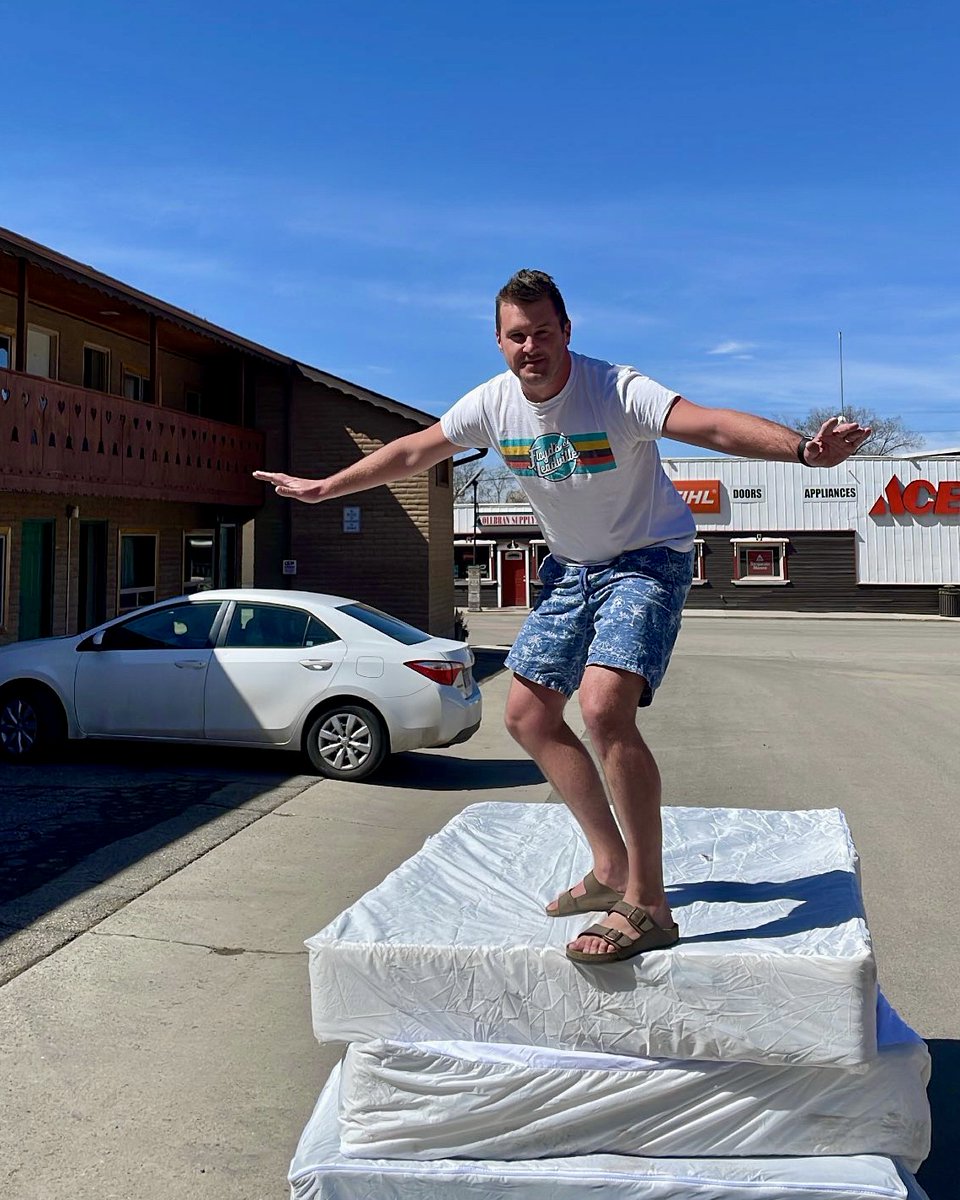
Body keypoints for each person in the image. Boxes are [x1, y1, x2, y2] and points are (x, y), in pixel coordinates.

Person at [254, 269, 870, 966]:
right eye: (517, 336)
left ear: (567, 332)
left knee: (606, 709)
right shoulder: (491, 405)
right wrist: (327, 488)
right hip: (571, 567)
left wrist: (803, 451)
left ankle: (649, 902)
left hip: (646, 556)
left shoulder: (615, 390)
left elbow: (710, 424)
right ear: (499, 341)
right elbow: (413, 449)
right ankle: (609, 868)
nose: (531, 348)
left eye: (544, 333)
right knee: (527, 714)